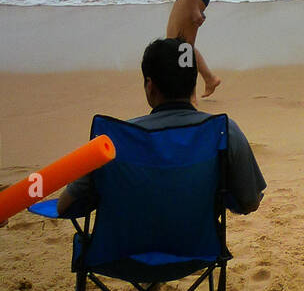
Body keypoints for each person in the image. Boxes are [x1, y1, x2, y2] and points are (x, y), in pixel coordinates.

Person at [57, 38, 265, 218]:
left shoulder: (114, 140)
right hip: (197, 250)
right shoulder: (223, 130)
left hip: (122, 257)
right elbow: (250, 202)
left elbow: (64, 206)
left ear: (150, 86)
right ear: (193, 82)